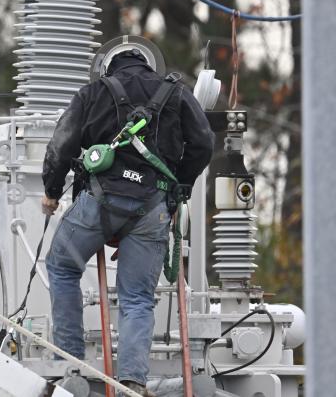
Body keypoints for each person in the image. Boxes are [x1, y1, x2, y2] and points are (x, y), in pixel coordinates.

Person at [40, 49, 214, 395]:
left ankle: (70, 365)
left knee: (61, 266)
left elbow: (61, 144)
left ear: (107, 67)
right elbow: (204, 143)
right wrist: (181, 184)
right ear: (150, 65)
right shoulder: (177, 92)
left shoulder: (93, 93)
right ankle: (132, 381)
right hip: (153, 207)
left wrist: (52, 191)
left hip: (100, 202)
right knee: (137, 298)